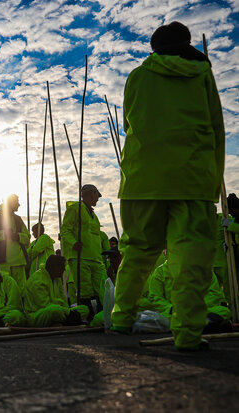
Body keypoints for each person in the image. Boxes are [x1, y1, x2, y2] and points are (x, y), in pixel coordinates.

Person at [111, 22, 225, 351]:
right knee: (191, 256)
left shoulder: (138, 76)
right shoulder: (203, 73)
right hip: (192, 177)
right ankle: (188, 334)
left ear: (154, 48)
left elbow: (130, 122)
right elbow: (217, 128)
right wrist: (213, 182)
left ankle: (121, 320)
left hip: (143, 177)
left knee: (137, 251)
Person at [149, 260, 231, 333]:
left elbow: (214, 294)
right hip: (176, 313)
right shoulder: (160, 272)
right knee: (163, 318)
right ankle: (205, 325)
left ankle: (194, 326)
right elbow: (155, 297)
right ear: (164, 252)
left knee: (224, 311)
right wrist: (171, 309)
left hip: (202, 310)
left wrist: (198, 307)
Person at [61, 184, 106, 312]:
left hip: (95, 258)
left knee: (100, 287)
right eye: (97, 195)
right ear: (91, 194)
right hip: (80, 256)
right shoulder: (76, 208)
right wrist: (73, 242)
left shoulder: (93, 215)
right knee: (84, 290)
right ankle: (87, 315)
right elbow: (65, 230)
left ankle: (101, 313)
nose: (98, 199)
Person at [23, 255, 88, 327]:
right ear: (55, 268)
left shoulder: (56, 278)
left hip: (60, 311)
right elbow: (45, 305)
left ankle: (64, 322)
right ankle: (69, 321)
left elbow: (63, 299)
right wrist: (68, 312)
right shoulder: (37, 281)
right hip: (38, 315)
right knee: (54, 310)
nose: (64, 270)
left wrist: (68, 311)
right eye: (62, 268)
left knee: (84, 309)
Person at [0, 195, 30, 289]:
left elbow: (27, 237)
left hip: (18, 262)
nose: (19, 204)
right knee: (4, 290)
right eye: (17, 202)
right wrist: (4, 234)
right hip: (1, 262)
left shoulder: (18, 219)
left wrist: (18, 236)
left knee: (21, 290)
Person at [213, 193, 239, 303]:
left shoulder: (223, 219)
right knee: (213, 290)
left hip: (224, 261)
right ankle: (218, 308)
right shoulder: (201, 223)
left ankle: (232, 309)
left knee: (229, 287)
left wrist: (229, 224)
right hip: (209, 262)